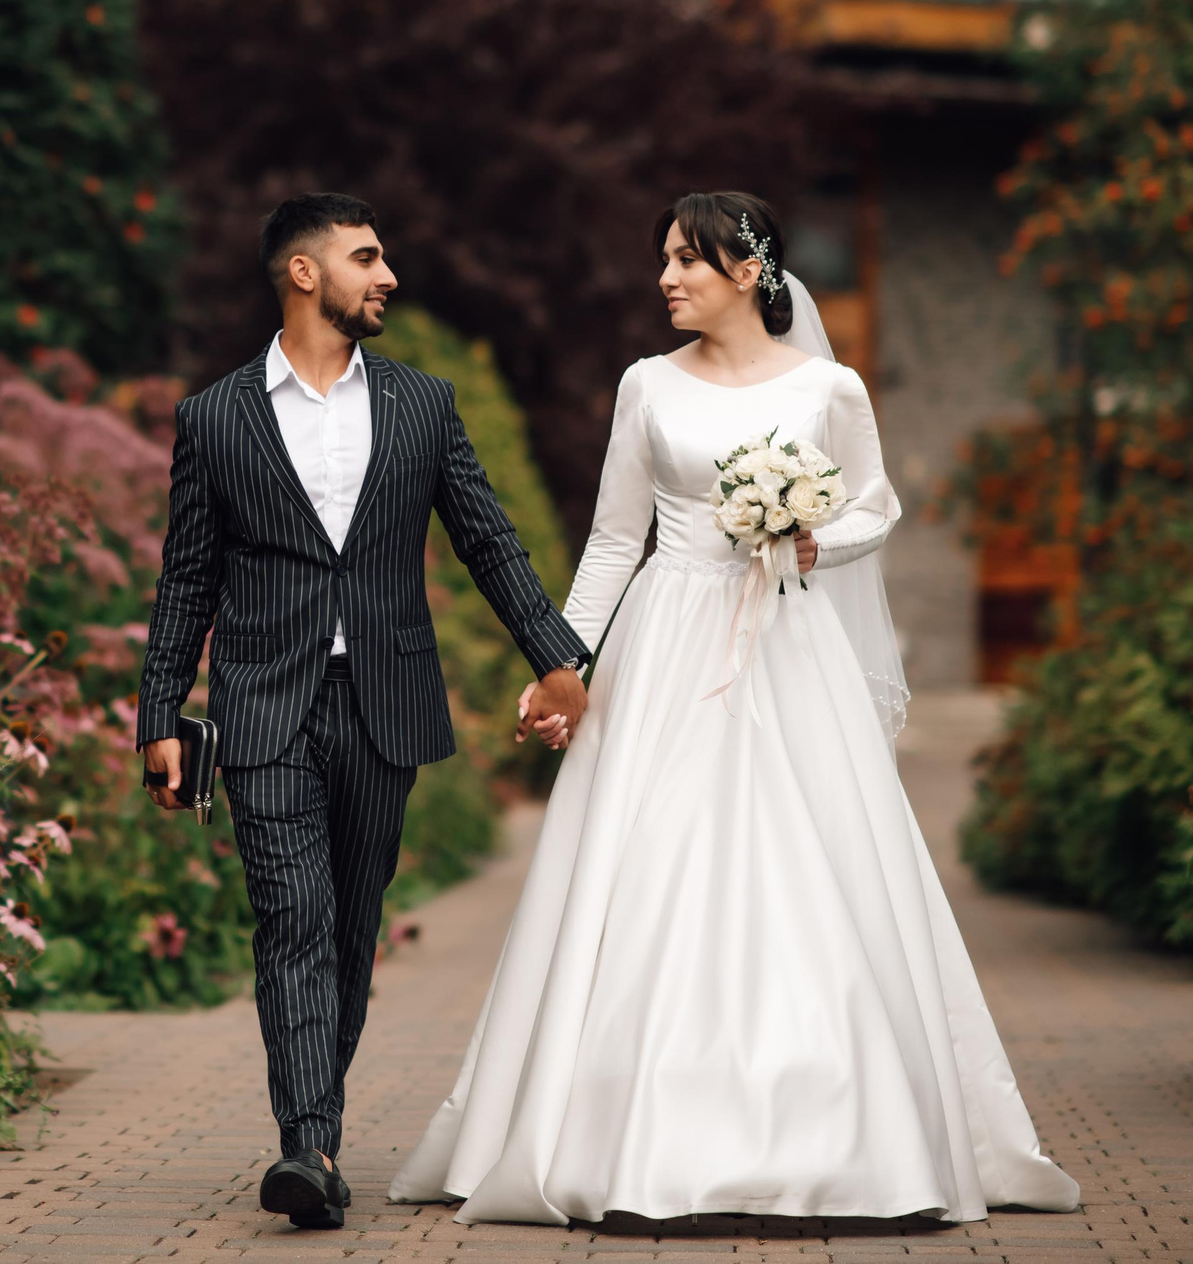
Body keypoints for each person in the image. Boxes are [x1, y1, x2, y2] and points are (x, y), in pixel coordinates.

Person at [386, 191, 1083, 1226]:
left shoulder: (829, 389)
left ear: (747, 271)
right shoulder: (645, 386)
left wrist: (813, 542)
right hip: (666, 644)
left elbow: (875, 504)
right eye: (662, 259)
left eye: (686, 261)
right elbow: (617, 539)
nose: (665, 277)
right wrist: (561, 662)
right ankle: (620, 1130)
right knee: (646, 864)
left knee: (813, 866)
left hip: (787, 647)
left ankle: (838, 1134)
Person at [137, 192, 592, 1233]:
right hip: (262, 706)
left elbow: (487, 540)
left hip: (381, 702)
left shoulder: (423, 405)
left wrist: (556, 657)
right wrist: (159, 710)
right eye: (366, 257)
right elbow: (186, 579)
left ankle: (321, 1130)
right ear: (305, 274)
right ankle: (304, 1144)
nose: (386, 276)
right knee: (290, 918)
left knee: (347, 927)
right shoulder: (215, 418)